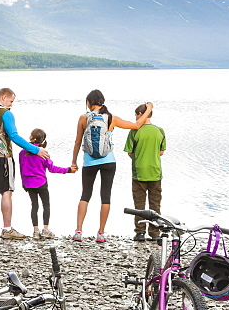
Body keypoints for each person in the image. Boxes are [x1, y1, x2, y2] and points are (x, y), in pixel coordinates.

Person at [69, 90, 152, 243]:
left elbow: (77, 142)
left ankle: (78, 231)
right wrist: (149, 109)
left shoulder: (83, 118)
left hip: (89, 162)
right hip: (108, 161)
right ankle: (101, 233)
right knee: (105, 196)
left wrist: (74, 162)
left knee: (85, 195)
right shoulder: (111, 118)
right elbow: (136, 125)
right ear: (102, 102)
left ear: (89, 102)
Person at [0, 87, 49, 239]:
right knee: (6, 191)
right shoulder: (5, 113)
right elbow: (14, 136)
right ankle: (7, 229)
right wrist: (36, 150)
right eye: (11, 101)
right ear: (4, 97)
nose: (11, 104)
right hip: (3, 157)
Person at [19, 128, 76, 240]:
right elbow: (52, 169)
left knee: (34, 205)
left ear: (31, 137)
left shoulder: (22, 153)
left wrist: (23, 183)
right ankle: (45, 230)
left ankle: (36, 231)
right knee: (46, 205)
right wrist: (68, 170)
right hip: (41, 183)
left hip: (28, 183)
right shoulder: (43, 153)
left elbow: (21, 168)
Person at [124, 103, 167, 242]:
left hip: (139, 172)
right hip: (155, 172)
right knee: (155, 203)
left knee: (139, 205)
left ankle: (140, 232)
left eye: (136, 115)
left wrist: (139, 156)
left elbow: (130, 152)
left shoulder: (134, 131)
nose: (136, 118)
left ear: (141, 115)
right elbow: (161, 152)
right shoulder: (159, 131)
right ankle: (155, 233)